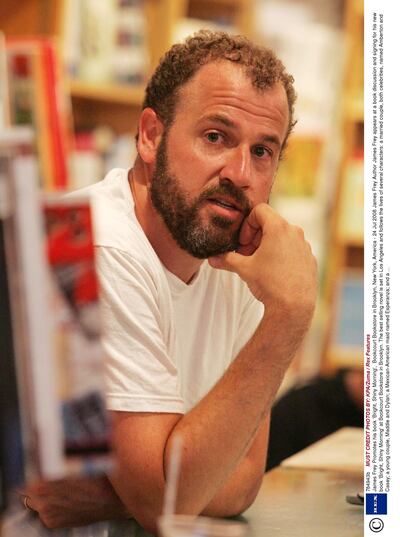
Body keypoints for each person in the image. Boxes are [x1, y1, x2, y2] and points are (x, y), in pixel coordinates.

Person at [20, 30, 317, 535]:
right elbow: (168, 505)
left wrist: (111, 498)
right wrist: (289, 316)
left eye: (263, 151)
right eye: (216, 137)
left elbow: (245, 479)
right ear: (151, 136)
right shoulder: (91, 244)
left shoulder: (245, 260)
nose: (241, 173)